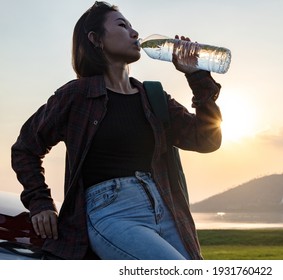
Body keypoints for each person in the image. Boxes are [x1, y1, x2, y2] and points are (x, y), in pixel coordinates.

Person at [11, 1, 222, 260]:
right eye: (122, 25)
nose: (134, 33)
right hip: (111, 212)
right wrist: (40, 202)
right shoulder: (76, 96)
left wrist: (197, 76)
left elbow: (207, 140)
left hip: (166, 210)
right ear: (95, 39)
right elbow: (25, 149)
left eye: (133, 26)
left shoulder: (153, 96)